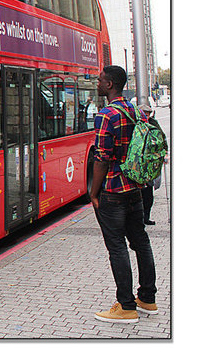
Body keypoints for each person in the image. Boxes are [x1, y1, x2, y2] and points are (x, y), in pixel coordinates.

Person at [89, 65, 157, 323]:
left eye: (100, 80)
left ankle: (126, 306)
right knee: (141, 242)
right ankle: (147, 298)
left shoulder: (106, 115)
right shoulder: (133, 111)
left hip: (114, 191)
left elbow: (101, 158)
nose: (97, 83)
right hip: (135, 190)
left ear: (109, 85)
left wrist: (94, 193)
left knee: (117, 247)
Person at [137, 103, 167, 226]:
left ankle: (146, 217)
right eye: (145, 113)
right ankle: (139, 219)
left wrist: (165, 151)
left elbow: (162, 137)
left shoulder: (153, 124)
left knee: (149, 193)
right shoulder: (136, 124)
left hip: (150, 162)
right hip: (139, 164)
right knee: (140, 194)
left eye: (148, 114)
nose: (147, 116)